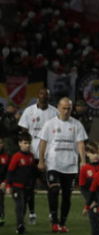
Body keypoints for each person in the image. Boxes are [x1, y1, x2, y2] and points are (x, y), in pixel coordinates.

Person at [38, 97, 87, 233]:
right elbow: (43, 143)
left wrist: (83, 160)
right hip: (53, 163)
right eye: (63, 108)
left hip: (70, 165)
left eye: (68, 108)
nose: (66, 111)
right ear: (58, 108)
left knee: (67, 195)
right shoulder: (50, 124)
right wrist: (41, 160)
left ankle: (62, 223)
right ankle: (54, 221)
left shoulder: (76, 124)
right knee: (54, 189)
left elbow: (80, 143)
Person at [18, 88, 58, 224]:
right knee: (29, 186)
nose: (44, 96)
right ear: (38, 96)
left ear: (49, 97)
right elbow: (24, 133)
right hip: (31, 155)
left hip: (49, 156)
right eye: (41, 94)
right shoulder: (29, 111)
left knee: (52, 186)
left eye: (46, 94)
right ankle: (32, 213)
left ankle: (52, 213)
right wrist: (25, 151)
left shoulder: (54, 112)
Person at [4, 133, 36, 234]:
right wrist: (8, 185)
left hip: (27, 187)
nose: (27, 145)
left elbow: (32, 172)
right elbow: (10, 172)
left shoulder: (31, 157)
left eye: (29, 143)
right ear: (20, 143)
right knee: (20, 204)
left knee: (24, 206)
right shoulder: (16, 157)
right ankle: (20, 225)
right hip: (17, 186)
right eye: (25, 143)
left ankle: (21, 224)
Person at [79, 141, 99, 235]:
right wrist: (90, 201)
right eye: (93, 153)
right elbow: (83, 187)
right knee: (95, 225)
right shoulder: (85, 169)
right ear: (87, 154)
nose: (96, 156)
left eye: (98, 153)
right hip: (93, 202)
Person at [0, 139, 8, 227]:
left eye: (1, 143)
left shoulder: (6, 157)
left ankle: (1, 217)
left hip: (1, 183)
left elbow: (9, 172)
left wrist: (5, 182)